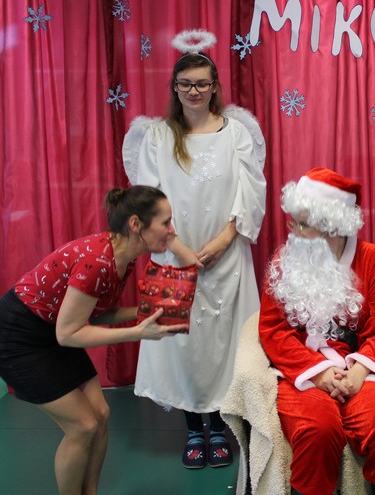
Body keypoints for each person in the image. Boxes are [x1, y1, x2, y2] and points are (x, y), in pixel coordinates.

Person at [128, 38, 267, 468]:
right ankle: (193, 429)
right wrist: (179, 247)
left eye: (202, 84)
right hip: (175, 255)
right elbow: (148, 197)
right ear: (175, 87)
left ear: (214, 87)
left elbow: (251, 189)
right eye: (186, 84)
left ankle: (221, 426)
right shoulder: (158, 136)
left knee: (225, 341)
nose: (194, 91)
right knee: (183, 343)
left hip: (226, 257)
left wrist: (225, 239)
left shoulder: (236, 133)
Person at [0, 186, 188, 495]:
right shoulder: (98, 262)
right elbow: (68, 333)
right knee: (82, 426)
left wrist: (146, 310)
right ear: (136, 224)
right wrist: (138, 332)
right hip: (19, 336)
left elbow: (96, 316)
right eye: (166, 222)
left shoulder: (123, 258)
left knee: (100, 414)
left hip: (53, 328)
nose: (172, 231)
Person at [259, 168, 375, 495]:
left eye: (304, 225)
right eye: (294, 222)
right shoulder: (286, 260)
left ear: (332, 226)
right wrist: (317, 373)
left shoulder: (372, 260)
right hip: (303, 369)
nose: (294, 232)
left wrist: (359, 372)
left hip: (358, 368)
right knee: (318, 429)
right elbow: (273, 329)